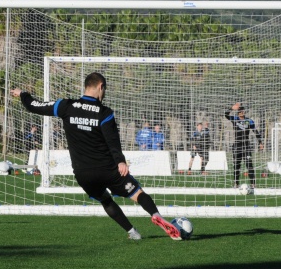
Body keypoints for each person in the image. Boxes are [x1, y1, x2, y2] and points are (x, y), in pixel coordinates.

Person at [11, 73, 182, 240]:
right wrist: (121, 161)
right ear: (100, 87)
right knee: (137, 193)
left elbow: (34, 105)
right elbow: (112, 141)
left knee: (106, 201)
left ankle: (132, 232)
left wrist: (23, 94)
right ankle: (156, 214)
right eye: (104, 90)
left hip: (83, 173)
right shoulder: (104, 112)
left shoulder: (65, 106)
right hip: (107, 169)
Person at [224, 102, 264, 191]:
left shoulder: (249, 121)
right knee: (236, 165)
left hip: (246, 146)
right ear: (238, 112)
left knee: (249, 165)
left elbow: (255, 131)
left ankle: (253, 184)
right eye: (240, 111)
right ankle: (236, 183)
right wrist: (231, 108)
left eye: (243, 111)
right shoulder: (234, 119)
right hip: (237, 146)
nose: (242, 112)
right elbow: (226, 115)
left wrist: (260, 142)